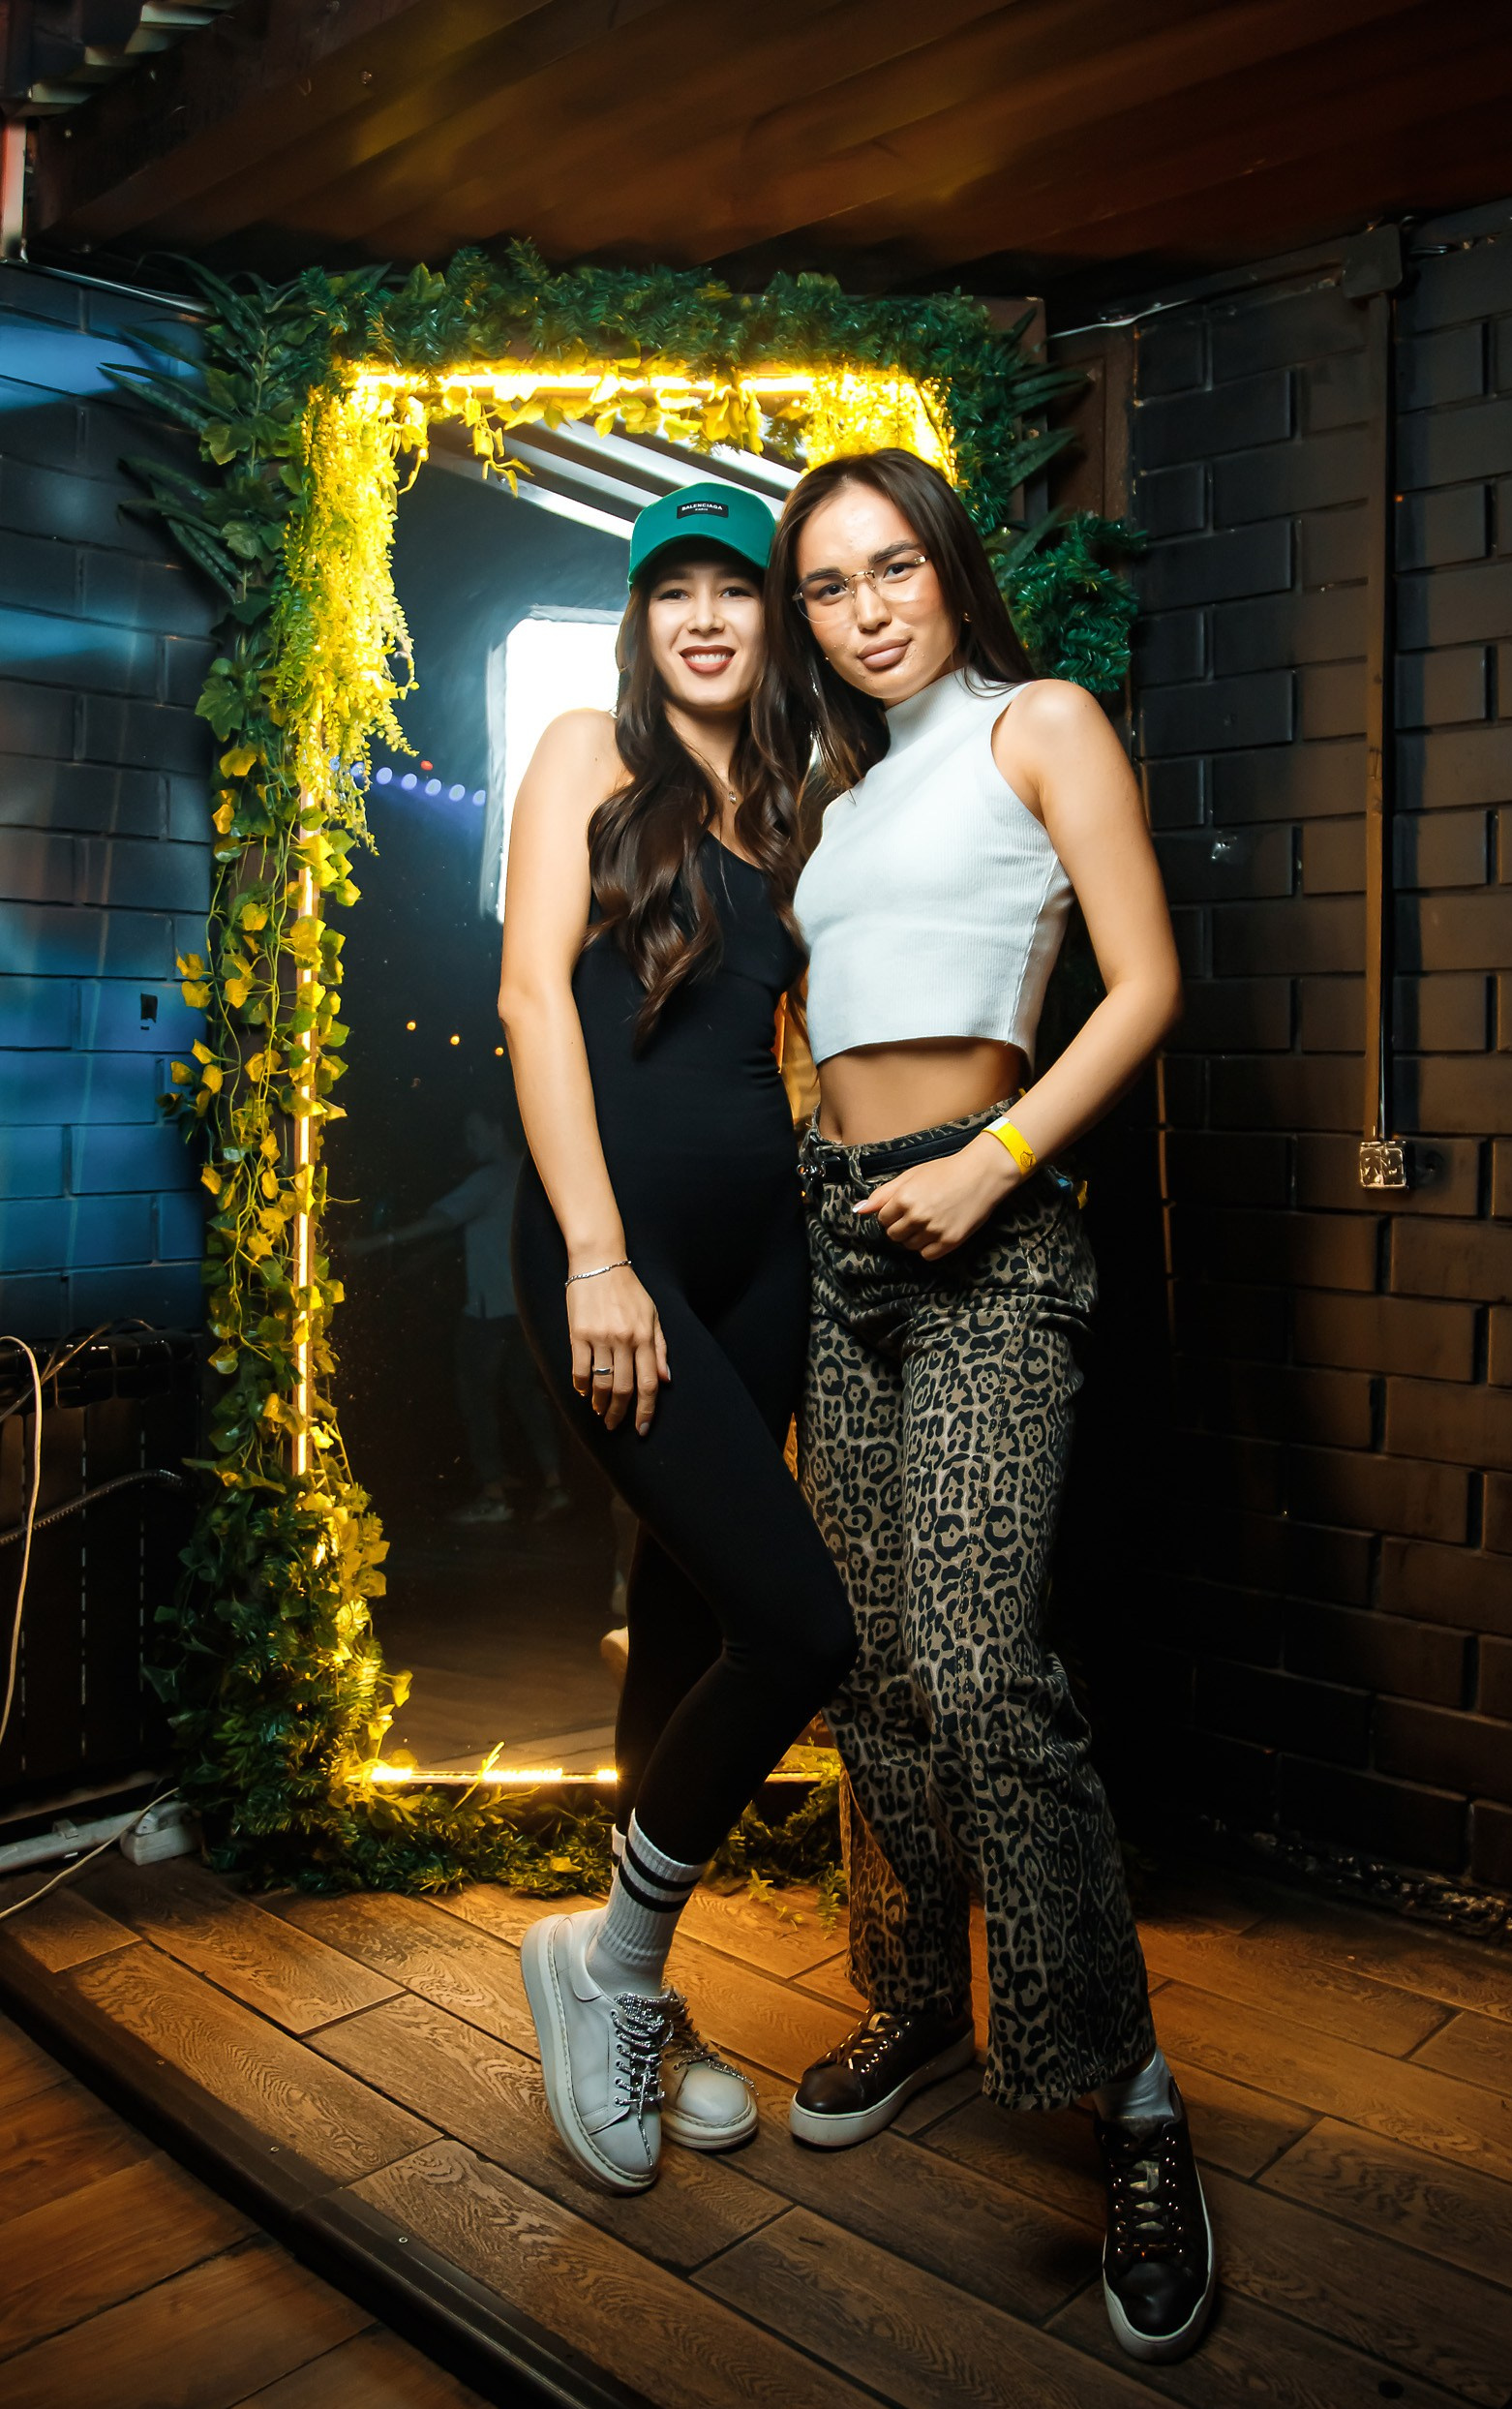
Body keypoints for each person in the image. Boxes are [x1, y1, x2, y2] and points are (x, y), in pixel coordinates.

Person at [760, 447, 1215, 2363]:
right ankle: (912, 1996)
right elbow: (824, 1009)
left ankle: (1130, 2099)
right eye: (826, 586)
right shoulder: (837, 793)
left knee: (976, 1668)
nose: (865, 608)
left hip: (989, 1223)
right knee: (868, 1664)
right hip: (840, 1230)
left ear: (948, 569)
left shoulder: (1040, 723)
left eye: (892, 567)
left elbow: (1144, 984)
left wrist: (991, 1160)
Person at [499, 480, 858, 2194]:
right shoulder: (589, 752)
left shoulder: (801, 797)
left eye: (736, 589)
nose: (706, 618)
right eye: (673, 592)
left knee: (699, 1619)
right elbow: (527, 995)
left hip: (762, 1256)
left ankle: (640, 1987)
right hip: (613, 1250)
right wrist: (595, 1255)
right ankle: (610, 1965)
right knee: (801, 1626)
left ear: (773, 618)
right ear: (640, 625)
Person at [347, 1101, 568, 1526]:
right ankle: (554, 1485)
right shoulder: (531, 1174)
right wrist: (422, 1262)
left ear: (497, 1129)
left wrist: (372, 1244)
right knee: (527, 1396)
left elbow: (441, 1221)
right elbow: (479, 1231)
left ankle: (493, 1494)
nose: (469, 1143)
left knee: (476, 1400)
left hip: (488, 1313)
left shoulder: (489, 1177)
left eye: (474, 1133)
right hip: (528, 1313)